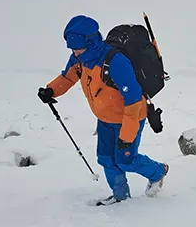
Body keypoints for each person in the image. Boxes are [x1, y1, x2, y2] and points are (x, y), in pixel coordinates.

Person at [37, 15, 169, 206]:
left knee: (125, 160)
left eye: (78, 47)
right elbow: (68, 77)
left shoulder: (115, 61)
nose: (75, 52)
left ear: (90, 42)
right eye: (72, 48)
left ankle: (158, 172)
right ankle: (120, 197)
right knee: (106, 159)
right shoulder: (80, 58)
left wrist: (127, 134)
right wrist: (51, 90)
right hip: (105, 119)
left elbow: (133, 99)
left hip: (130, 117)